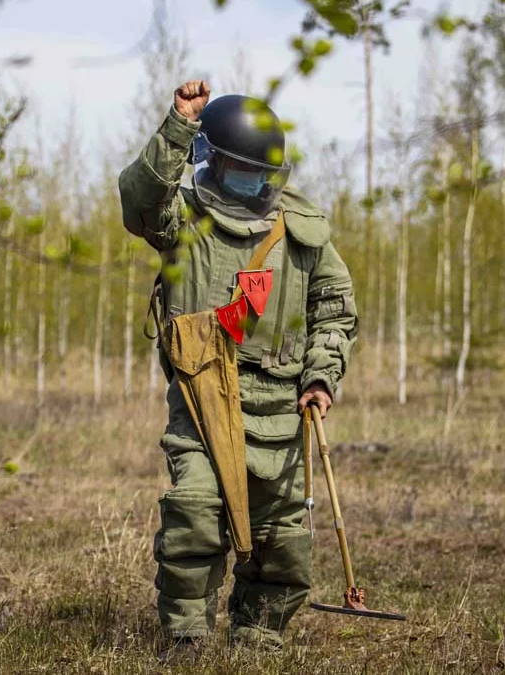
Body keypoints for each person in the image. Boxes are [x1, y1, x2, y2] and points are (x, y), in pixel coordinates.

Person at [118, 79, 358, 656]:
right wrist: (179, 125)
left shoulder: (303, 231)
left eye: (261, 173)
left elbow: (334, 307)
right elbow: (140, 199)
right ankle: (187, 638)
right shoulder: (184, 219)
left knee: (281, 539)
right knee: (195, 516)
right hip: (203, 397)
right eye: (240, 169)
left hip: (281, 407)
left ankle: (258, 636)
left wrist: (321, 374)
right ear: (213, 162)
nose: (252, 182)